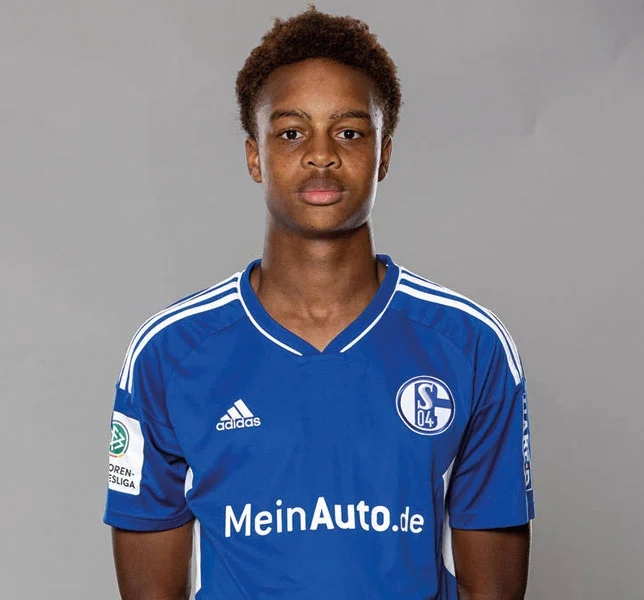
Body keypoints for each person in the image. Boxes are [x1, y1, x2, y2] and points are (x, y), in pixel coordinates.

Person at [104, 6, 534, 599]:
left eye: (350, 132)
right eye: (291, 132)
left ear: (384, 155)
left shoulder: (469, 344)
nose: (321, 154)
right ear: (254, 156)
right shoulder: (169, 353)